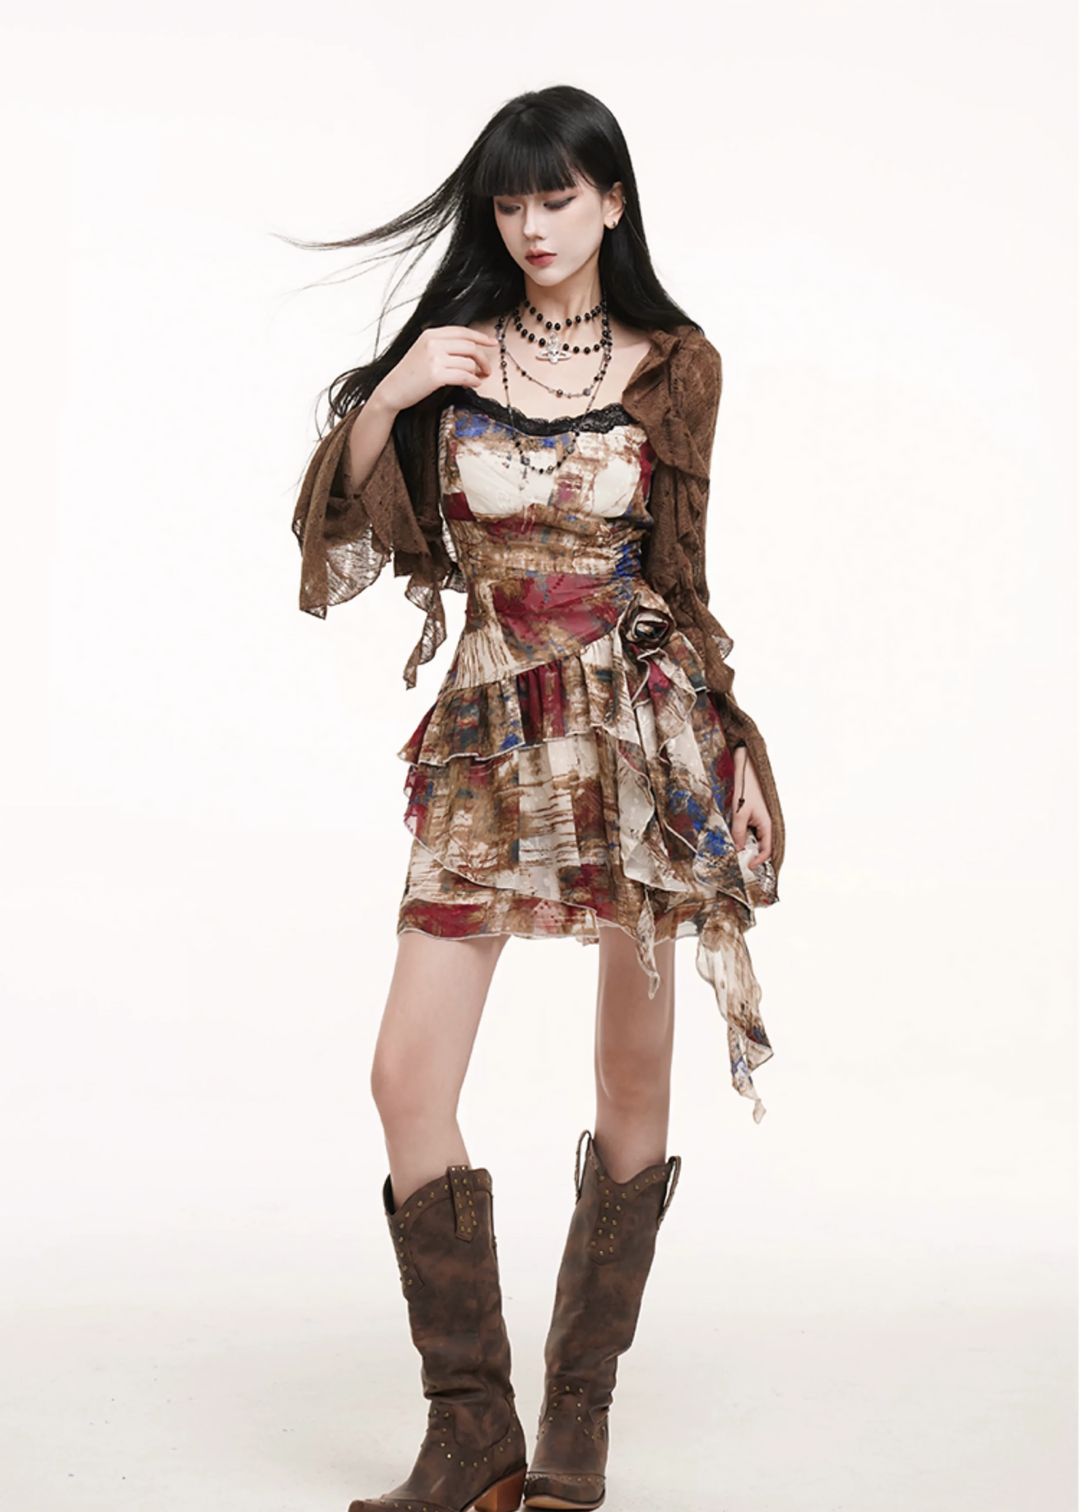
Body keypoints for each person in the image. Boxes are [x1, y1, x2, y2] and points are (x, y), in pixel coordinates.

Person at [290, 84, 785, 1512]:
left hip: (639, 736)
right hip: (489, 737)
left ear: (613, 201)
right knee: (406, 1077)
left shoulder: (676, 365)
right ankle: (471, 1430)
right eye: (509, 203)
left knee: (631, 1076)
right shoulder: (454, 358)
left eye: (558, 198)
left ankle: (576, 1417)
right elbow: (339, 538)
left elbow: (682, 577)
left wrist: (740, 747)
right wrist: (392, 394)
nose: (532, 226)